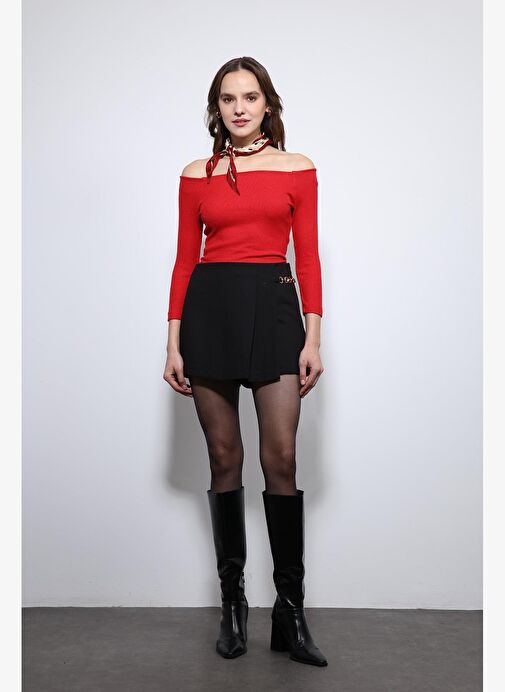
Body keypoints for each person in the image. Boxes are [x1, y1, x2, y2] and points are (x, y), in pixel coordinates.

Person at [163, 56, 327, 667]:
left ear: (267, 104)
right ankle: (233, 605)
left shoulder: (296, 167)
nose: (239, 108)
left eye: (250, 97)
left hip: (275, 308)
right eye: (228, 98)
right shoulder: (196, 174)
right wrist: (173, 340)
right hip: (210, 312)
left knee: (280, 457)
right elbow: (185, 259)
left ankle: (291, 610)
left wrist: (313, 338)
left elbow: (308, 257)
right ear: (217, 108)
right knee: (224, 458)